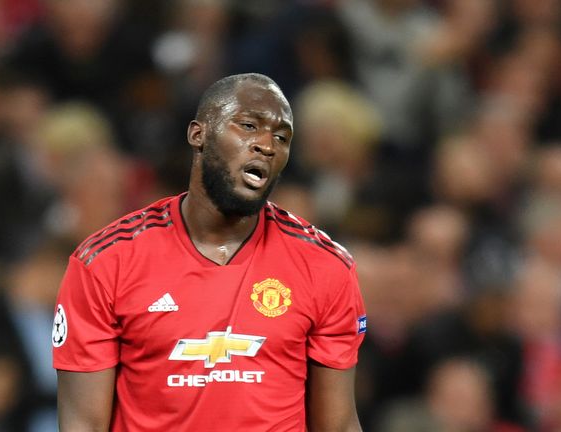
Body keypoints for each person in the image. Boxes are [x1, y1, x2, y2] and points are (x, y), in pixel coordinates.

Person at [52, 73, 367, 431]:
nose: (267, 144)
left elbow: (338, 424)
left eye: (281, 137)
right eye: (248, 125)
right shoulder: (107, 262)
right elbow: (82, 423)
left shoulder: (325, 266)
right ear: (198, 135)